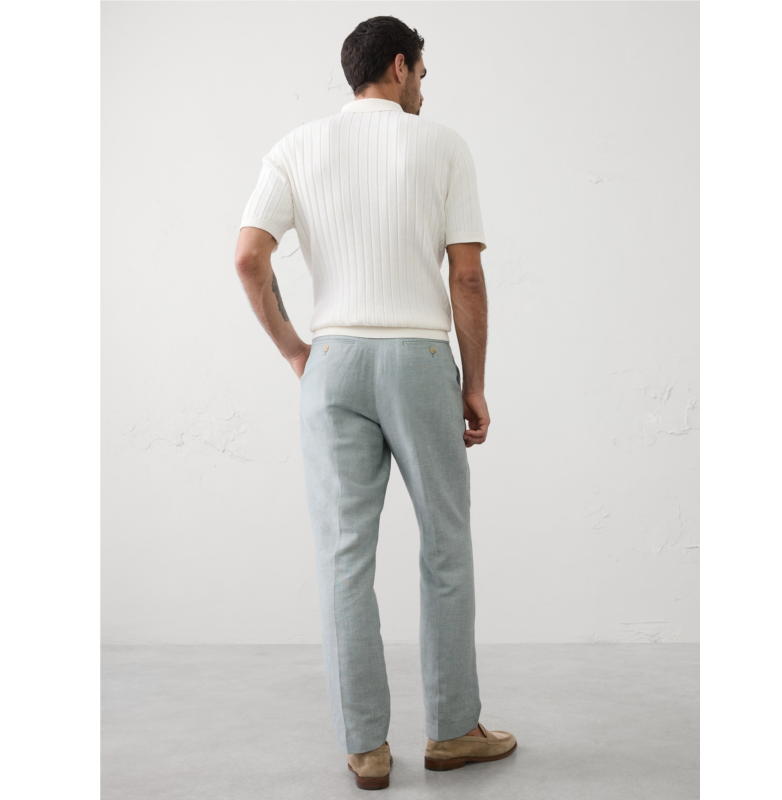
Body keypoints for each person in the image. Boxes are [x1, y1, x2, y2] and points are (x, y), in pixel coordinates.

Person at [234, 15, 517, 790]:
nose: (424, 88)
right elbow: (466, 276)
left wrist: (297, 351)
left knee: (343, 555)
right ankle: (453, 731)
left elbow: (249, 257)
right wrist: (474, 383)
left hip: (333, 362)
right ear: (399, 66)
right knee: (445, 545)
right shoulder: (443, 145)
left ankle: (366, 747)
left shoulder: (295, 147)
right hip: (419, 359)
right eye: (422, 73)